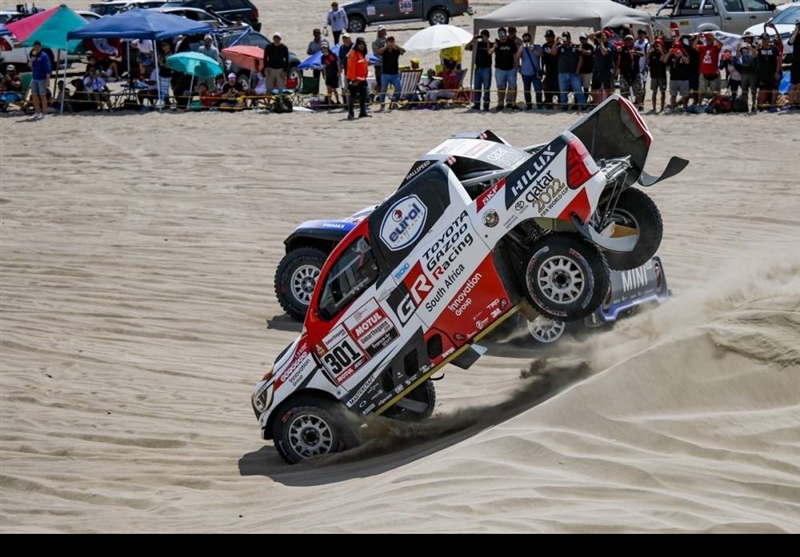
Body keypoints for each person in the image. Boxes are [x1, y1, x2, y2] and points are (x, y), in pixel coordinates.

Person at [489, 27, 519, 111]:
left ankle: (513, 103)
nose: (501, 36)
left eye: (502, 34)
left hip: (511, 68)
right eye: (499, 34)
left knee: (513, 86)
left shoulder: (511, 42)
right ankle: (500, 103)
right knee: (501, 87)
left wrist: (517, 66)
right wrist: (494, 47)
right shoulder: (497, 43)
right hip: (500, 69)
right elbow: (489, 52)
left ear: (506, 34)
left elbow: (515, 55)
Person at [557, 31, 585, 110]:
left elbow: (581, 58)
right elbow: (553, 52)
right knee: (563, 90)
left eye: (567, 37)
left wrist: (578, 69)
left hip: (574, 73)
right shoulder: (560, 47)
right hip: (562, 72)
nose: (566, 39)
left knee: (578, 89)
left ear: (570, 38)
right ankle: (564, 105)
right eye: (564, 38)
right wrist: (556, 42)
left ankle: (583, 105)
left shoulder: (575, 47)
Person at [465, 28, 492, 111]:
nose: (483, 38)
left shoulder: (490, 44)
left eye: (485, 36)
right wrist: (473, 40)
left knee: (486, 88)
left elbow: (489, 52)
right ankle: (477, 104)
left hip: (486, 68)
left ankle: (486, 105)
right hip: (478, 68)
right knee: (477, 87)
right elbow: (466, 48)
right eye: (482, 36)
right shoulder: (477, 44)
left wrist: (487, 42)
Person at [755, 29, 782, 110]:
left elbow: (778, 61)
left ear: (769, 39)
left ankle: (773, 105)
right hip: (762, 73)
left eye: (766, 39)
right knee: (761, 89)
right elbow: (754, 56)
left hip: (772, 72)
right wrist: (756, 48)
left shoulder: (774, 48)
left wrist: (777, 72)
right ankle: (760, 106)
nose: (764, 41)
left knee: (774, 89)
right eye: (763, 39)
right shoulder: (759, 49)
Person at [515, 32, 543, 110]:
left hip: (535, 72)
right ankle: (529, 105)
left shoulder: (537, 46)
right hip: (525, 73)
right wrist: (520, 50)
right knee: (527, 90)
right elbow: (516, 58)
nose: (527, 42)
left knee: (538, 89)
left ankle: (539, 105)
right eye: (525, 41)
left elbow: (541, 54)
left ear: (531, 40)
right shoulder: (522, 49)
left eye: (528, 40)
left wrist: (533, 49)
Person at [377, 35, 405, 110]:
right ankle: (382, 105)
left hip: (394, 74)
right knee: (383, 90)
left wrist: (397, 47)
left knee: (398, 88)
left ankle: (395, 102)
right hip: (385, 73)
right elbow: (378, 52)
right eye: (389, 41)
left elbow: (403, 51)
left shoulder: (396, 50)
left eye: (392, 41)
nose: (391, 42)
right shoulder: (384, 50)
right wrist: (386, 47)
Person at [693, 32, 723, 102]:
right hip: (704, 73)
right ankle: (700, 104)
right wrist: (698, 37)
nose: (708, 40)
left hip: (713, 73)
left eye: (709, 39)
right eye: (707, 39)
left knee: (715, 91)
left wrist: (714, 38)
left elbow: (721, 45)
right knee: (701, 91)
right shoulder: (703, 47)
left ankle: (716, 104)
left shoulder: (715, 47)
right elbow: (694, 46)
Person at [663, 39, 691, 111]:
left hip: (683, 78)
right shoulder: (671, 55)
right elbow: (664, 61)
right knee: (673, 95)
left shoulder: (684, 53)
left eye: (677, 47)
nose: (676, 48)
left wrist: (681, 55)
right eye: (674, 47)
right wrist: (669, 53)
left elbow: (687, 62)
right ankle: (674, 107)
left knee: (685, 95)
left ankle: (685, 107)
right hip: (673, 78)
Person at [346, 36, 370, 120]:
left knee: (364, 96)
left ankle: (362, 112)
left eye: (363, 44)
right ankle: (350, 114)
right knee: (352, 97)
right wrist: (353, 80)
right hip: (355, 80)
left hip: (362, 80)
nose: (361, 45)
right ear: (357, 45)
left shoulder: (363, 54)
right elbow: (351, 68)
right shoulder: (354, 54)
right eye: (360, 44)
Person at [590, 29, 615, 106]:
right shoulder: (598, 43)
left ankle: (609, 105)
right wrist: (598, 33)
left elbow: (604, 52)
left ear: (608, 38)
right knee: (594, 89)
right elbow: (589, 36)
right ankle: (595, 105)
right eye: (601, 36)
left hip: (606, 71)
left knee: (608, 89)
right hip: (597, 70)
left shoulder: (610, 45)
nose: (602, 37)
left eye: (604, 36)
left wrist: (601, 43)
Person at [616, 34, 642, 106]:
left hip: (635, 73)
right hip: (624, 73)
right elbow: (617, 51)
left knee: (638, 91)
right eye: (627, 40)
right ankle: (627, 105)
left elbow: (642, 54)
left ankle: (639, 104)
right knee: (624, 92)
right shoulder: (622, 48)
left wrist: (635, 52)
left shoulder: (637, 48)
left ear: (633, 41)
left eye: (630, 40)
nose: (628, 41)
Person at [27, 41, 51, 121]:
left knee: (42, 95)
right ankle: (37, 112)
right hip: (34, 78)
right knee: (34, 94)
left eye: (37, 47)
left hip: (42, 78)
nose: (36, 49)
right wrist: (32, 60)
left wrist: (48, 80)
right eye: (35, 47)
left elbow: (47, 69)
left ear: (40, 47)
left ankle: (44, 113)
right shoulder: (33, 55)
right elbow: (29, 65)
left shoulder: (44, 56)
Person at [263, 33, 290, 100]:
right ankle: (268, 103)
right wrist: (266, 68)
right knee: (269, 87)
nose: (276, 40)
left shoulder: (284, 48)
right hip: (270, 68)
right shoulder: (268, 47)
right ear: (273, 39)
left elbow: (287, 60)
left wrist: (284, 71)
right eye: (275, 38)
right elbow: (265, 58)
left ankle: (280, 101)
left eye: (278, 38)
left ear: (280, 39)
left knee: (281, 87)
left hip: (280, 69)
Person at [737, 31, 759, 112]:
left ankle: (753, 105)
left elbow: (755, 55)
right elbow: (738, 56)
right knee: (744, 90)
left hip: (753, 71)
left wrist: (751, 48)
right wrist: (738, 48)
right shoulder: (742, 48)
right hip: (744, 71)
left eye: (749, 38)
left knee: (753, 90)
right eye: (746, 38)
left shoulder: (755, 46)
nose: (748, 39)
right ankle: (745, 105)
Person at [541, 29, 560, 109]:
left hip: (558, 70)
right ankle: (548, 102)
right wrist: (542, 68)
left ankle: (560, 102)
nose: (548, 38)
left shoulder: (558, 45)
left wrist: (555, 43)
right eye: (547, 37)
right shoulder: (544, 46)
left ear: (553, 37)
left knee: (558, 87)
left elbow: (554, 53)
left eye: (550, 37)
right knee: (547, 86)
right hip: (548, 70)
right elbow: (543, 58)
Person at [648, 38, 668, 112]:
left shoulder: (664, 52)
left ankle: (662, 107)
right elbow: (647, 61)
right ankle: (654, 107)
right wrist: (649, 49)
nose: (656, 46)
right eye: (656, 45)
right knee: (654, 91)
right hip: (654, 75)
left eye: (658, 45)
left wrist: (661, 51)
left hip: (662, 75)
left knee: (663, 92)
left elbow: (665, 60)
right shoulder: (652, 53)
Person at [320, 41, 341, 106]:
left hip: (334, 74)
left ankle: (338, 101)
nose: (324, 49)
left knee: (333, 89)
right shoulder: (322, 57)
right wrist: (325, 75)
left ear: (327, 48)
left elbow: (337, 64)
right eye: (323, 48)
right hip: (328, 74)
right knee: (328, 89)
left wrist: (338, 72)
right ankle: (329, 103)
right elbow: (324, 67)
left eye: (325, 48)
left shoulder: (333, 55)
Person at [372, 25, 388, 97]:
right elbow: (376, 53)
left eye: (384, 30)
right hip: (379, 64)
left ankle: (378, 95)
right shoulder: (376, 42)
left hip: (387, 64)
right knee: (380, 82)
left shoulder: (387, 40)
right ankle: (376, 95)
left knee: (384, 82)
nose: (383, 32)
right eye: (381, 30)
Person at [338, 33, 353, 107]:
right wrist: (340, 67)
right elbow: (340, 59)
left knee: (355, 88)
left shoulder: (354, 46)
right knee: (346, 88)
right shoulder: (342, 48)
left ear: (349, 39)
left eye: (346, 38)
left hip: (354, 71)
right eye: (344, 39)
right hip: (346, 71)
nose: (345, 40)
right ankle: (348, 104)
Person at [789, 19, 800, 108]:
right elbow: (790, 42)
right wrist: (796, 31)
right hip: (796, 63)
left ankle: (798, 101)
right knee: (793, 84)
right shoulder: (795, 36)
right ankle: (791, 102)